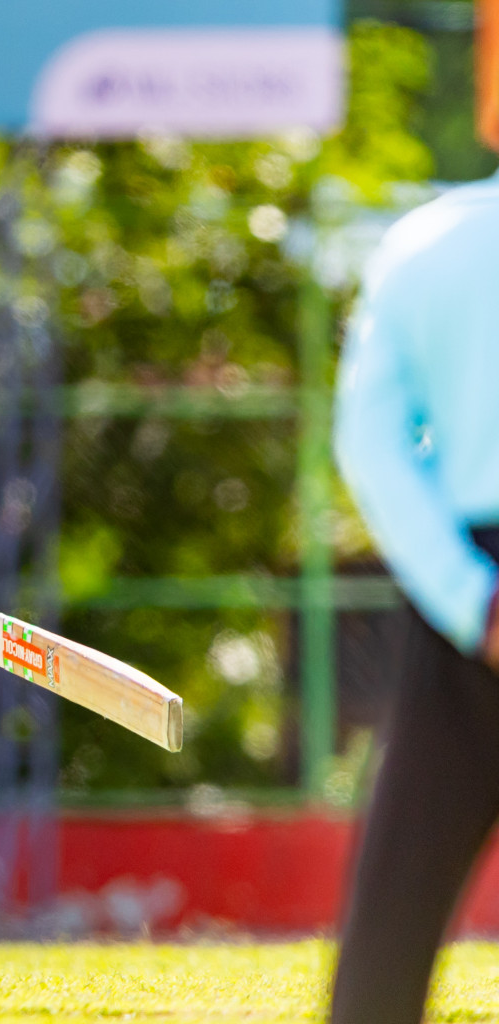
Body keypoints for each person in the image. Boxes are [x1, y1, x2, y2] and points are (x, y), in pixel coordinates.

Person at [331, 173, 499, 1021]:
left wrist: (473, 600)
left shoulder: (429, 245)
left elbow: (369, 442)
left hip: (468, 599)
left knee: (389, 945)